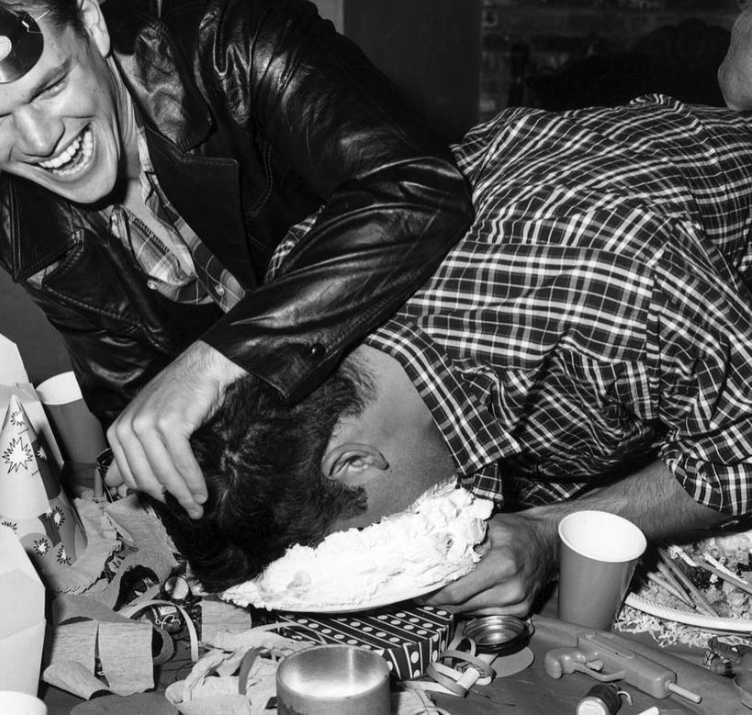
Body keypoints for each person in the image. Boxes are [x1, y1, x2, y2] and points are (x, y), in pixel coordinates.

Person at [0, 0, 473, 517]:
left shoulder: (225, 30)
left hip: (470, 367)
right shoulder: (26, 237)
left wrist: (217, 363)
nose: (38, 140)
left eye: (50, 88)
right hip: (343, 471)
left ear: (90, 21)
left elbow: (413, 185)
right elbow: (144, 414)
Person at [156, 94, 752, 616]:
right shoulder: (298, 281)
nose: (392, 542)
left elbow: (737, 458)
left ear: (355, 462)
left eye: (370, 539)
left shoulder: (614, 292)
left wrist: (553, 533)